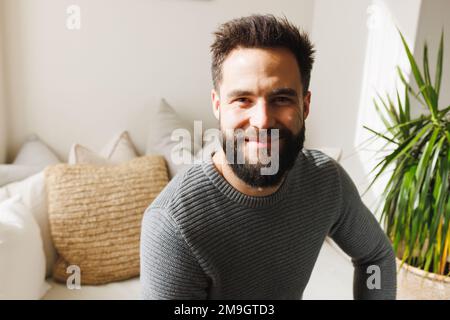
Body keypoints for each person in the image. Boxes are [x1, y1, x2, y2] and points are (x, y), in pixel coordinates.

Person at [140, 14, 396, 300]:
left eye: (282, 99)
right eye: (243, 99)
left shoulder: (327, 183)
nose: (262, 121)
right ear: (217, 105)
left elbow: (376, 257)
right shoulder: (172, 226)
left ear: (305, 104)